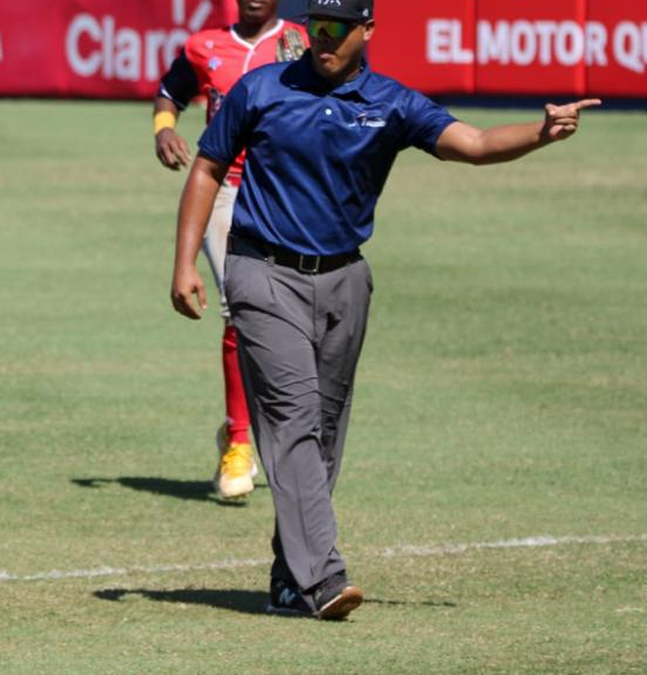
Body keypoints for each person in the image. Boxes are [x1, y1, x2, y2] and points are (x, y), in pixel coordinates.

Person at [169, 0, 600, 620]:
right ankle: (322, 578)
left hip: (345, 281)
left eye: (337, 29)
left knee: (323, 433)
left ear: (366, 31)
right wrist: (185, 262)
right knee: (291, 421)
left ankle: (290, 579)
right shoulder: (261, 89)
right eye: (316, 26)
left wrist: (540, 132)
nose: (322, 39)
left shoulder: (393, 103)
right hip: (262, 273)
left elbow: (472, 144)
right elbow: (208, 167)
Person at [153, 0, 307, 501]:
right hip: (222, 188)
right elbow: (168, 93)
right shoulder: (205, 46)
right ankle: (239, 443)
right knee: (237, 309)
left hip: (282, 190)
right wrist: (165, 129)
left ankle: (271, 430)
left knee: (288, 311)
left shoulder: (302, 42)